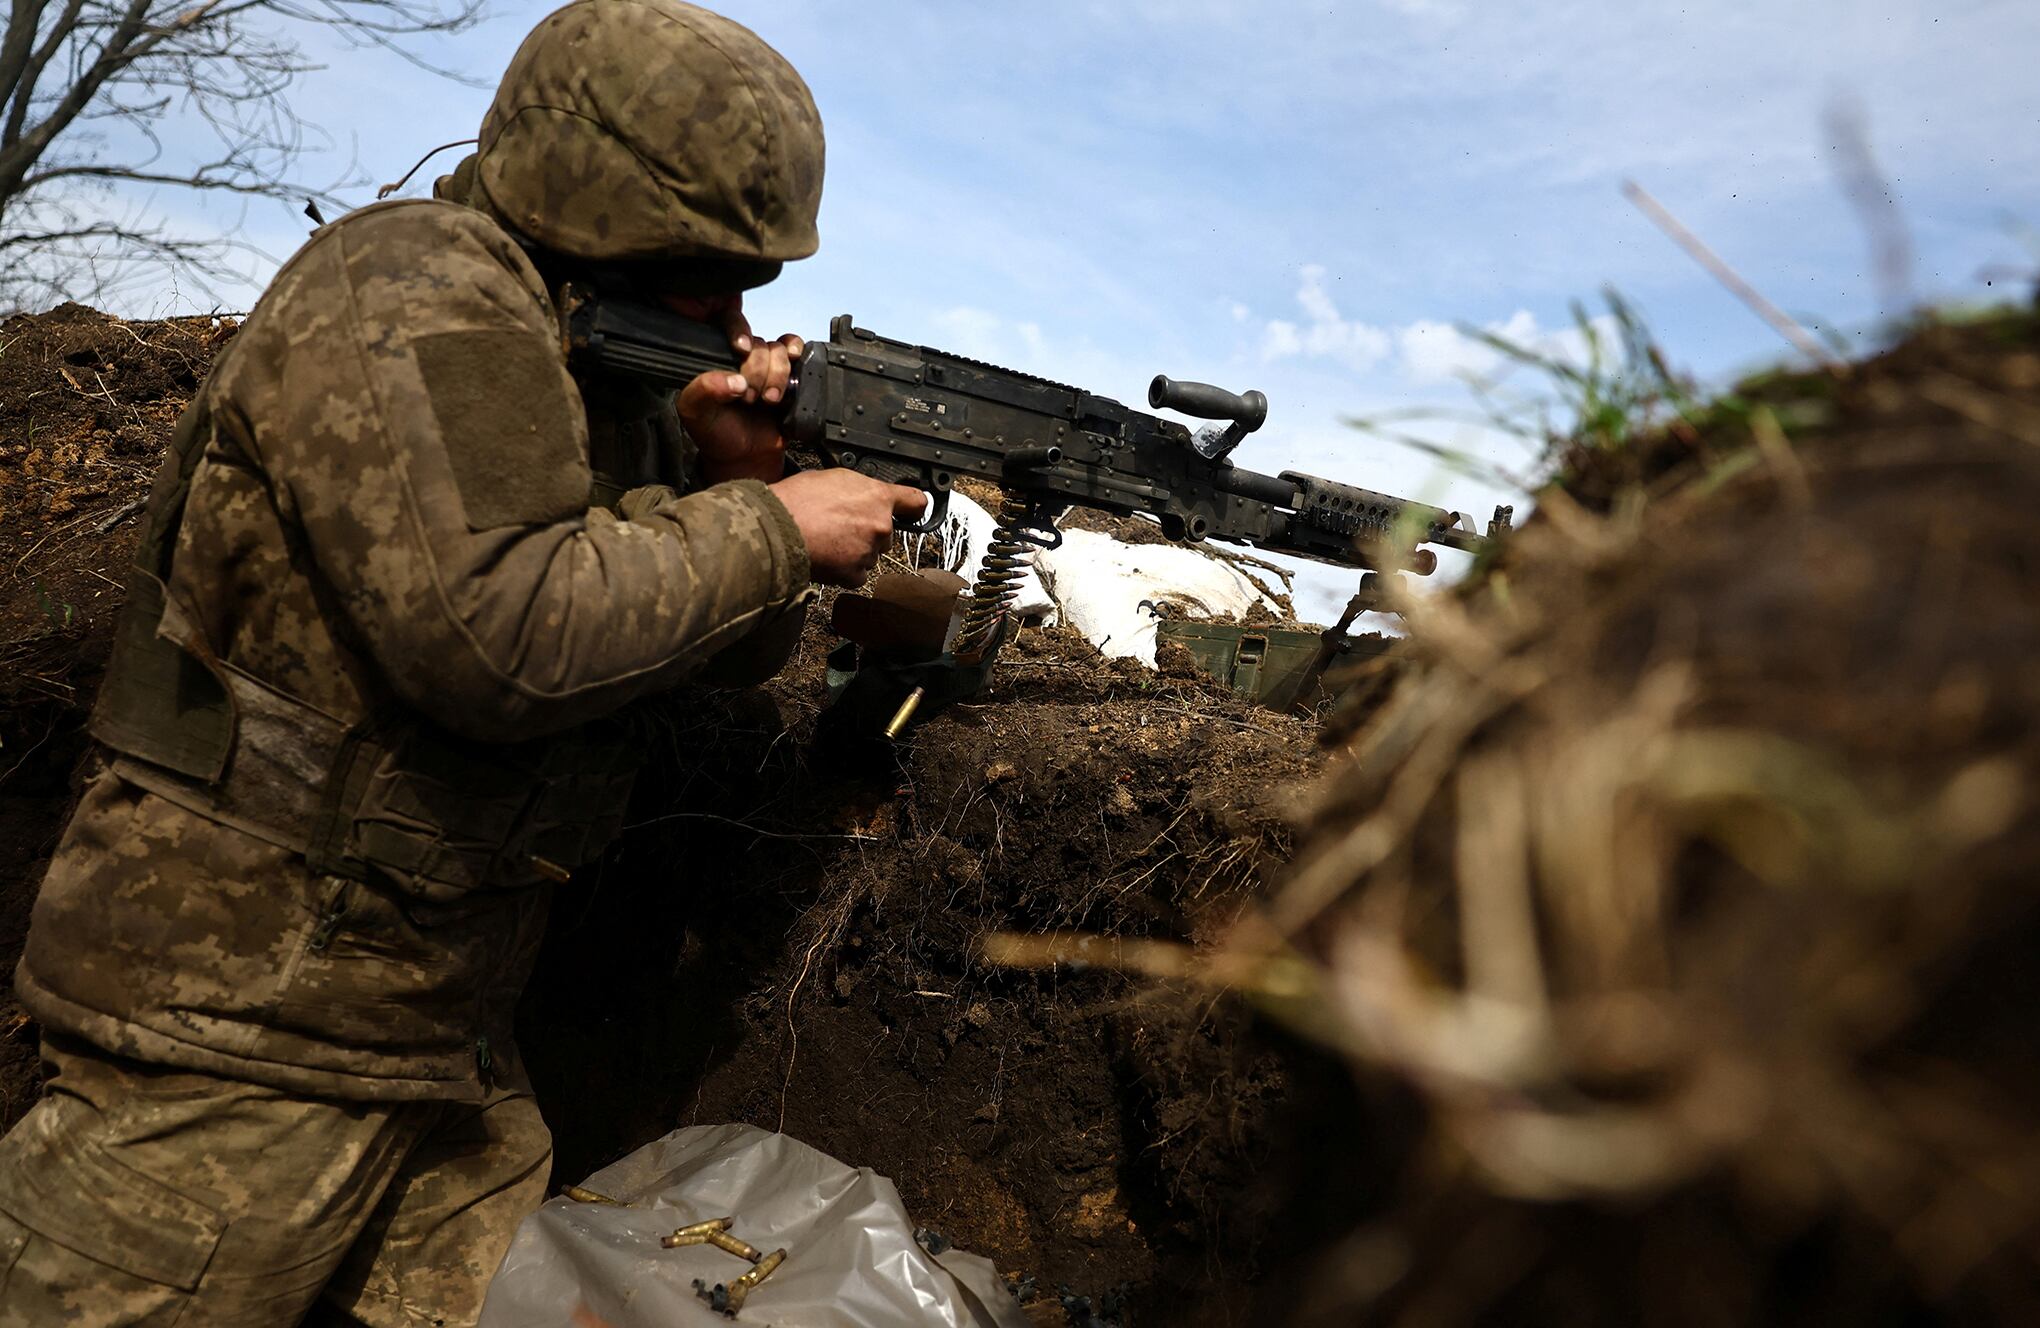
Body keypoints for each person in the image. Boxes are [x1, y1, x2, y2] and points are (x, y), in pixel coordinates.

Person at [0, 2, 919, 1322]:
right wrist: (771, 527)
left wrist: (724, 482)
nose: (729, 313)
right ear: (595, 213)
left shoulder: (582, 363)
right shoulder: (421, 292)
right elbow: (502, 639)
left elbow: (692, 652)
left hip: (439, 1049)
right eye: (698, 269)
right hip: (234, 1035)